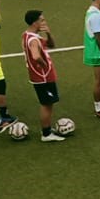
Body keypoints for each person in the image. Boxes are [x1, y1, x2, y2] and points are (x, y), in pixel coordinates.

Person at [23, 10, 67, 142]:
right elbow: (36, 56)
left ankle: (47, 129)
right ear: (35, 22)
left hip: (39, 76)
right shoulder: (34, 40)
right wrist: (45, 65)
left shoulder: (27, 35)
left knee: (48, 103)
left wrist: (48, 32)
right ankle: (46, 134)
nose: (44, 22)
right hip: (42, 77)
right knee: (47, 104)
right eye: (42, 20)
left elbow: (51, 45)